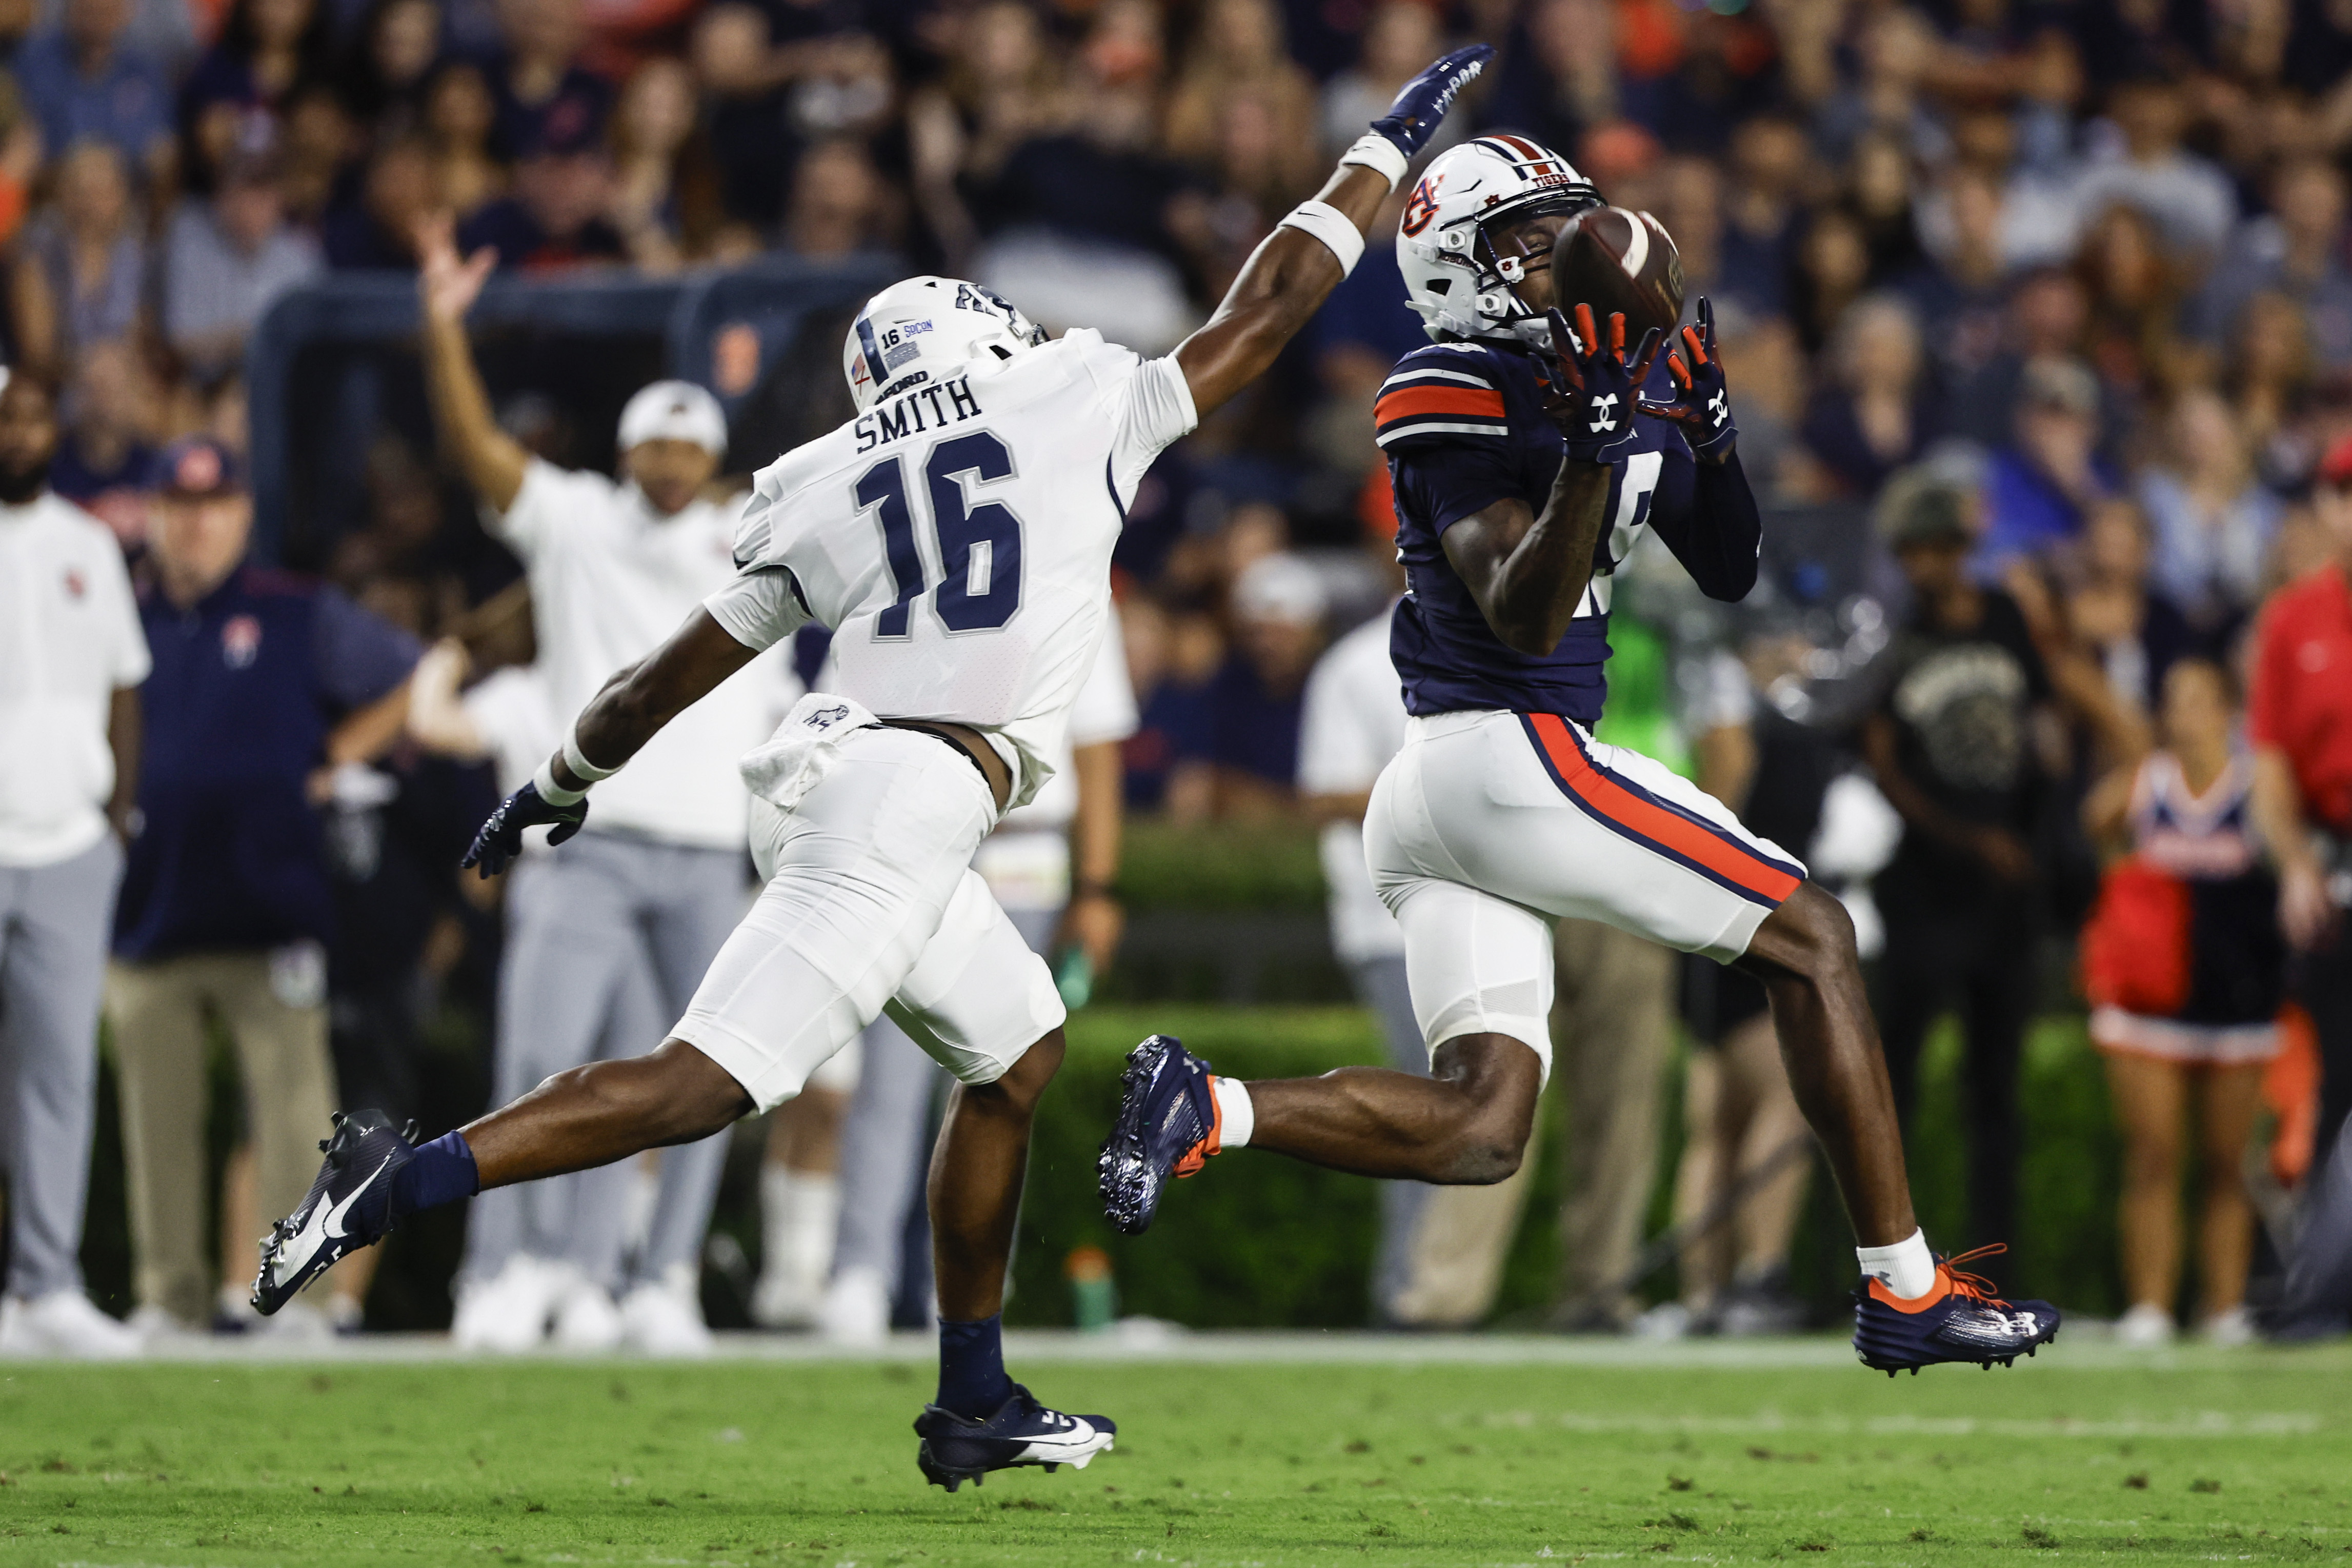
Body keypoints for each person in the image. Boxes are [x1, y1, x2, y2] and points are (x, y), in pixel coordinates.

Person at [252, 45, 1499, 1483]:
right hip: (907, 801)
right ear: (980, 334)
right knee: (703, 1082)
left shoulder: (823, 476)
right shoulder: (1067, 402)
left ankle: (972, 1395)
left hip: (841, 779)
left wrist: (557, 782)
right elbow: (1273, 300)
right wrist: (1380, 149)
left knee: (1017, 1052)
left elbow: (665, 672)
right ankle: (388, 1184)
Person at [1099, 132, 2063, 1376]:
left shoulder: (1598, 370)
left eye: (1565, 222)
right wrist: (1601, 446)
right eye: (1523, 235)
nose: (1559, 250)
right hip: (1505, 756)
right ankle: (1905, 1288)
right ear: (1455, 267)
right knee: (1812, 934)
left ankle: (1207, 1106)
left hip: (1457, 791)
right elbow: (1520, 610)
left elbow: (1726, 565)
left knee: (1483, 1126)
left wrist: (1706, 435)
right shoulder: (1446, 383)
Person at [408, 212, 792, 1356]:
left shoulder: (751, 538)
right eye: (653, 445)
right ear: (627, 454)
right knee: (536, 1064)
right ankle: (503, 1272)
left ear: (710, 460)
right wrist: (441, 331)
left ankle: (650, 1279)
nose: (670, 462)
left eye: (689, 446)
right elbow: (480, 452)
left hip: (706, 848)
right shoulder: (574, 524)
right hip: (586, 836)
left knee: (712, 1080)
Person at [106, 435, 417, 1338]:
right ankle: (165, 1299)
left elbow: (410, 674)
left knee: (291, 1121)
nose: (195, 524)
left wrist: (331, 760)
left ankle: (305, 1302)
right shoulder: (121, 614)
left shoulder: (296, 611)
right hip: (149, 908)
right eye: (178, 505)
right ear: (155, 514)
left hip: (274, 908)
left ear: (241, 514)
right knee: (155, 1121)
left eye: (212, 506)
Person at [808, 617, 1136, 1342]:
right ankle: (861, 1271)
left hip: (1023, 847)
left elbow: (1098, 745)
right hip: (911, 836)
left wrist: (1098, 887)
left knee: (997, 1071)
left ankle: (969, 1283)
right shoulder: (920, 555)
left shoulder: (1078, 583)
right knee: (890, 1077)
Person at [0, 370, 148, 1359]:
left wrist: (115, 816)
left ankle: (45, 1284)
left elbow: (125, 686)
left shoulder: (90, 544)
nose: (20, 431)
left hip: (68, 843)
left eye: (32, 415)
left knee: (59, 1073)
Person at [2081, 658, 2282, 1348]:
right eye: (2174, 700)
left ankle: (2223, 1305)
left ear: (2229, 708)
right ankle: (2151, 1305)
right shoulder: (2147, 781)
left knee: (2230, 1161)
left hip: (2239, 995)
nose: (2185, 714)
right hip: (2153, 998)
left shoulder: (2260, 782)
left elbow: (2286, 854)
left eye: (2200, 700)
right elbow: (2094, 829)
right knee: (2154, 1154)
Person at [2250, 435, 2352, 1337]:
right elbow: (2274, 759)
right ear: (2324, 509)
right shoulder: (2294, 620)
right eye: (2343, 494)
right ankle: (2321, 1290)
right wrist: (2293, 864)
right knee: (2334, 1083)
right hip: (2335, 860)